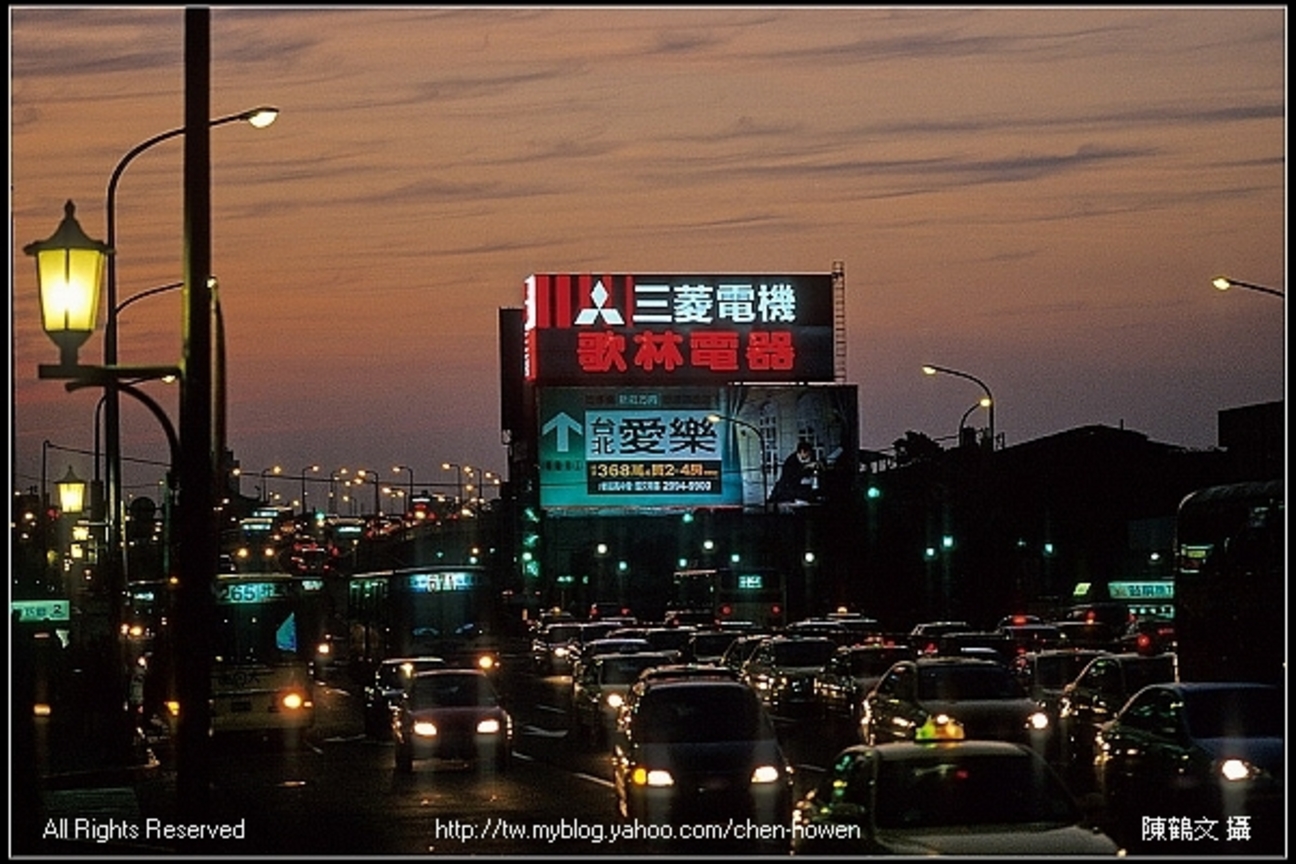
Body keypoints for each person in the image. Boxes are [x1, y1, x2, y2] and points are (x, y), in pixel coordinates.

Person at [770, 440, 821, 504]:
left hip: (805, 487)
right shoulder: (791, 461)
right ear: (802, 451)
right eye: (807, 454)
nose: (808, 456)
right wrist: (806, 467)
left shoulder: (810, 458)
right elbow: (791, 477)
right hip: (789, 489)